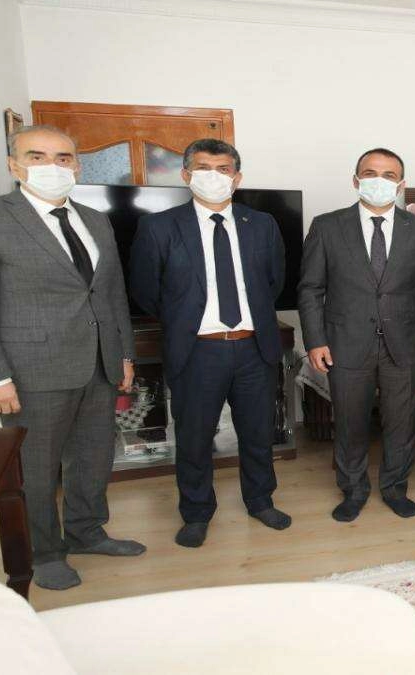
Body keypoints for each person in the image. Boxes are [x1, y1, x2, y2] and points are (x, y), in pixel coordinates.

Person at [0, 125, 145, 590]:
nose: (52, 166)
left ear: (77, 165)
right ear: (14, 165)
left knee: (93, 458)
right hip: (30, 371)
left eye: (63, 157)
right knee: (35, 470)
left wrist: (124, 354)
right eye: (37, 156)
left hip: (98, 364)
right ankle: (44, 552)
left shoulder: (95, 219)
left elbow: (110, 293)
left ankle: (86, 532)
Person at [130, 139, 291, 548]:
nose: (214, 176)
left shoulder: (262, 224)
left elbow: (273, 282)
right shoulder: (159, 227)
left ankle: (260, 501)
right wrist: (186, 318)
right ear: (186, 175)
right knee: (194, 438)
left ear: (237, 178)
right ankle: (197, 512)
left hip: (254, 347)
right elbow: (146, 291)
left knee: (257, 434)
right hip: (197, 350)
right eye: (203, 168)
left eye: (223, 169)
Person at [298, 148, 415, 523]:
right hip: (345, 342)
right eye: (370, 173)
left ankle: (395, 488)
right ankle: (354, 490)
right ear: (355, 180)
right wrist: (315, 340)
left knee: (401, 423)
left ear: (401, 184)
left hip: (405, 343)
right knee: (350, 422)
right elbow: (311, 288)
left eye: (389, 175)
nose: (380, 181)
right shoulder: (327, 226)